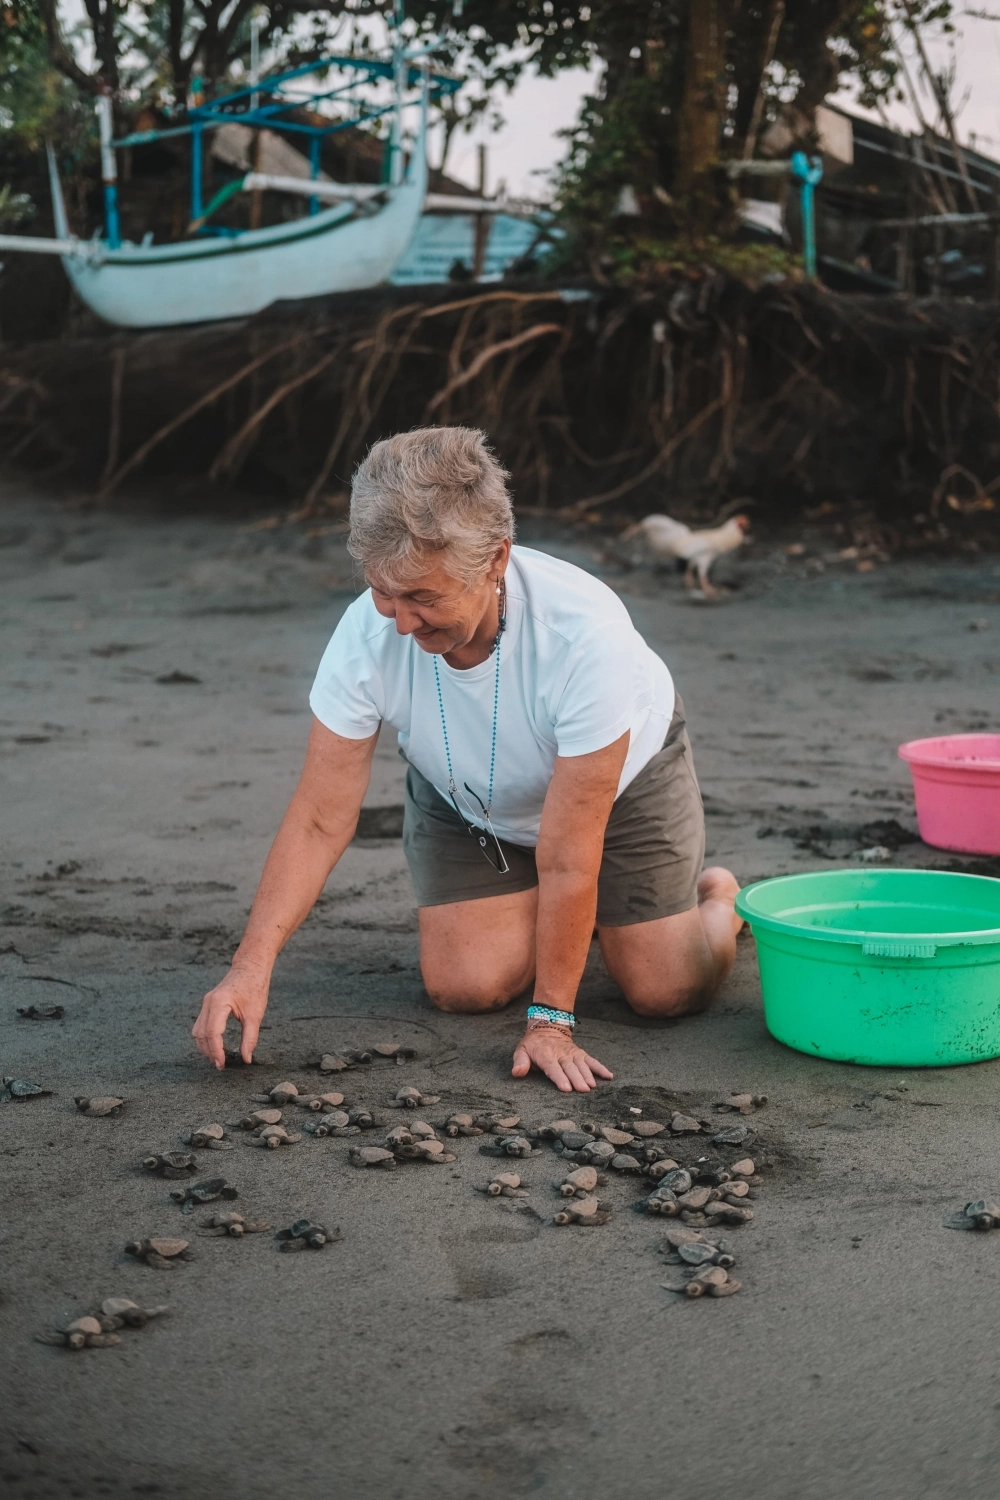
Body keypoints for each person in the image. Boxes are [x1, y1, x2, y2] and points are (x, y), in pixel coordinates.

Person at [192, 426, 742, 1093]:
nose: (399, 621)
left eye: (424, 597)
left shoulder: (586, 636)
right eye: (382, 590)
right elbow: (317, 818)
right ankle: (565, 916)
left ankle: (722, 900)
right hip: (467, 796)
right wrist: (249, 968)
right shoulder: (366, 635)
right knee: (466, 987)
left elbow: (571, 850)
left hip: (617, 793)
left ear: (496, 560)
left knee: (665, 990)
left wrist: (551, 1022)